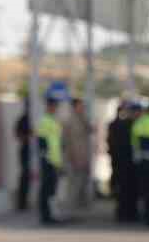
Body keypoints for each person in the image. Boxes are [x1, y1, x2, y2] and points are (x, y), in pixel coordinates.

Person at [35, 96, 64, 225]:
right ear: (48, 107)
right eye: (53, 106)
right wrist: (45, 157)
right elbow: (41, 141)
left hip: (55, 160)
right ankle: (45, 215)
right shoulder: (45, 121)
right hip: (48, 160)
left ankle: (50, 214)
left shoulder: (53, 120)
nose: (55, 108)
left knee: (52, 189)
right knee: (46, 188)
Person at [109, 101, 139, 223]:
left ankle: (126, 212)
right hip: (124, 162)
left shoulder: (118, 124)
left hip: (122, 162)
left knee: (126, 189)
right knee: (125, 189)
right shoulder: (125, 124)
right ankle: (125, 212)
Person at [65, 96, 93, 213]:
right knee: (74, 185)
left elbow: (90, 129)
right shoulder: (70, 121)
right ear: (75, 107)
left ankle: (77, 209)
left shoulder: (82, 119)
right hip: (75, 158)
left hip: (83, 157)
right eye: (80, 106)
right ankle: (70, 209)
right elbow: (69, 142)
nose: (82, 108)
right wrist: (73, 157)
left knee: (82, 184)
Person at [13, 103, 33, 211]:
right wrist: (27, 138)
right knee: (25, 176)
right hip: (25, 150)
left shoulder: (34, 117)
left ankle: (25, 202)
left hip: (32, 151)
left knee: (28, 177)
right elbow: (17, 134)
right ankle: (21, 203)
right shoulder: (24, 119)